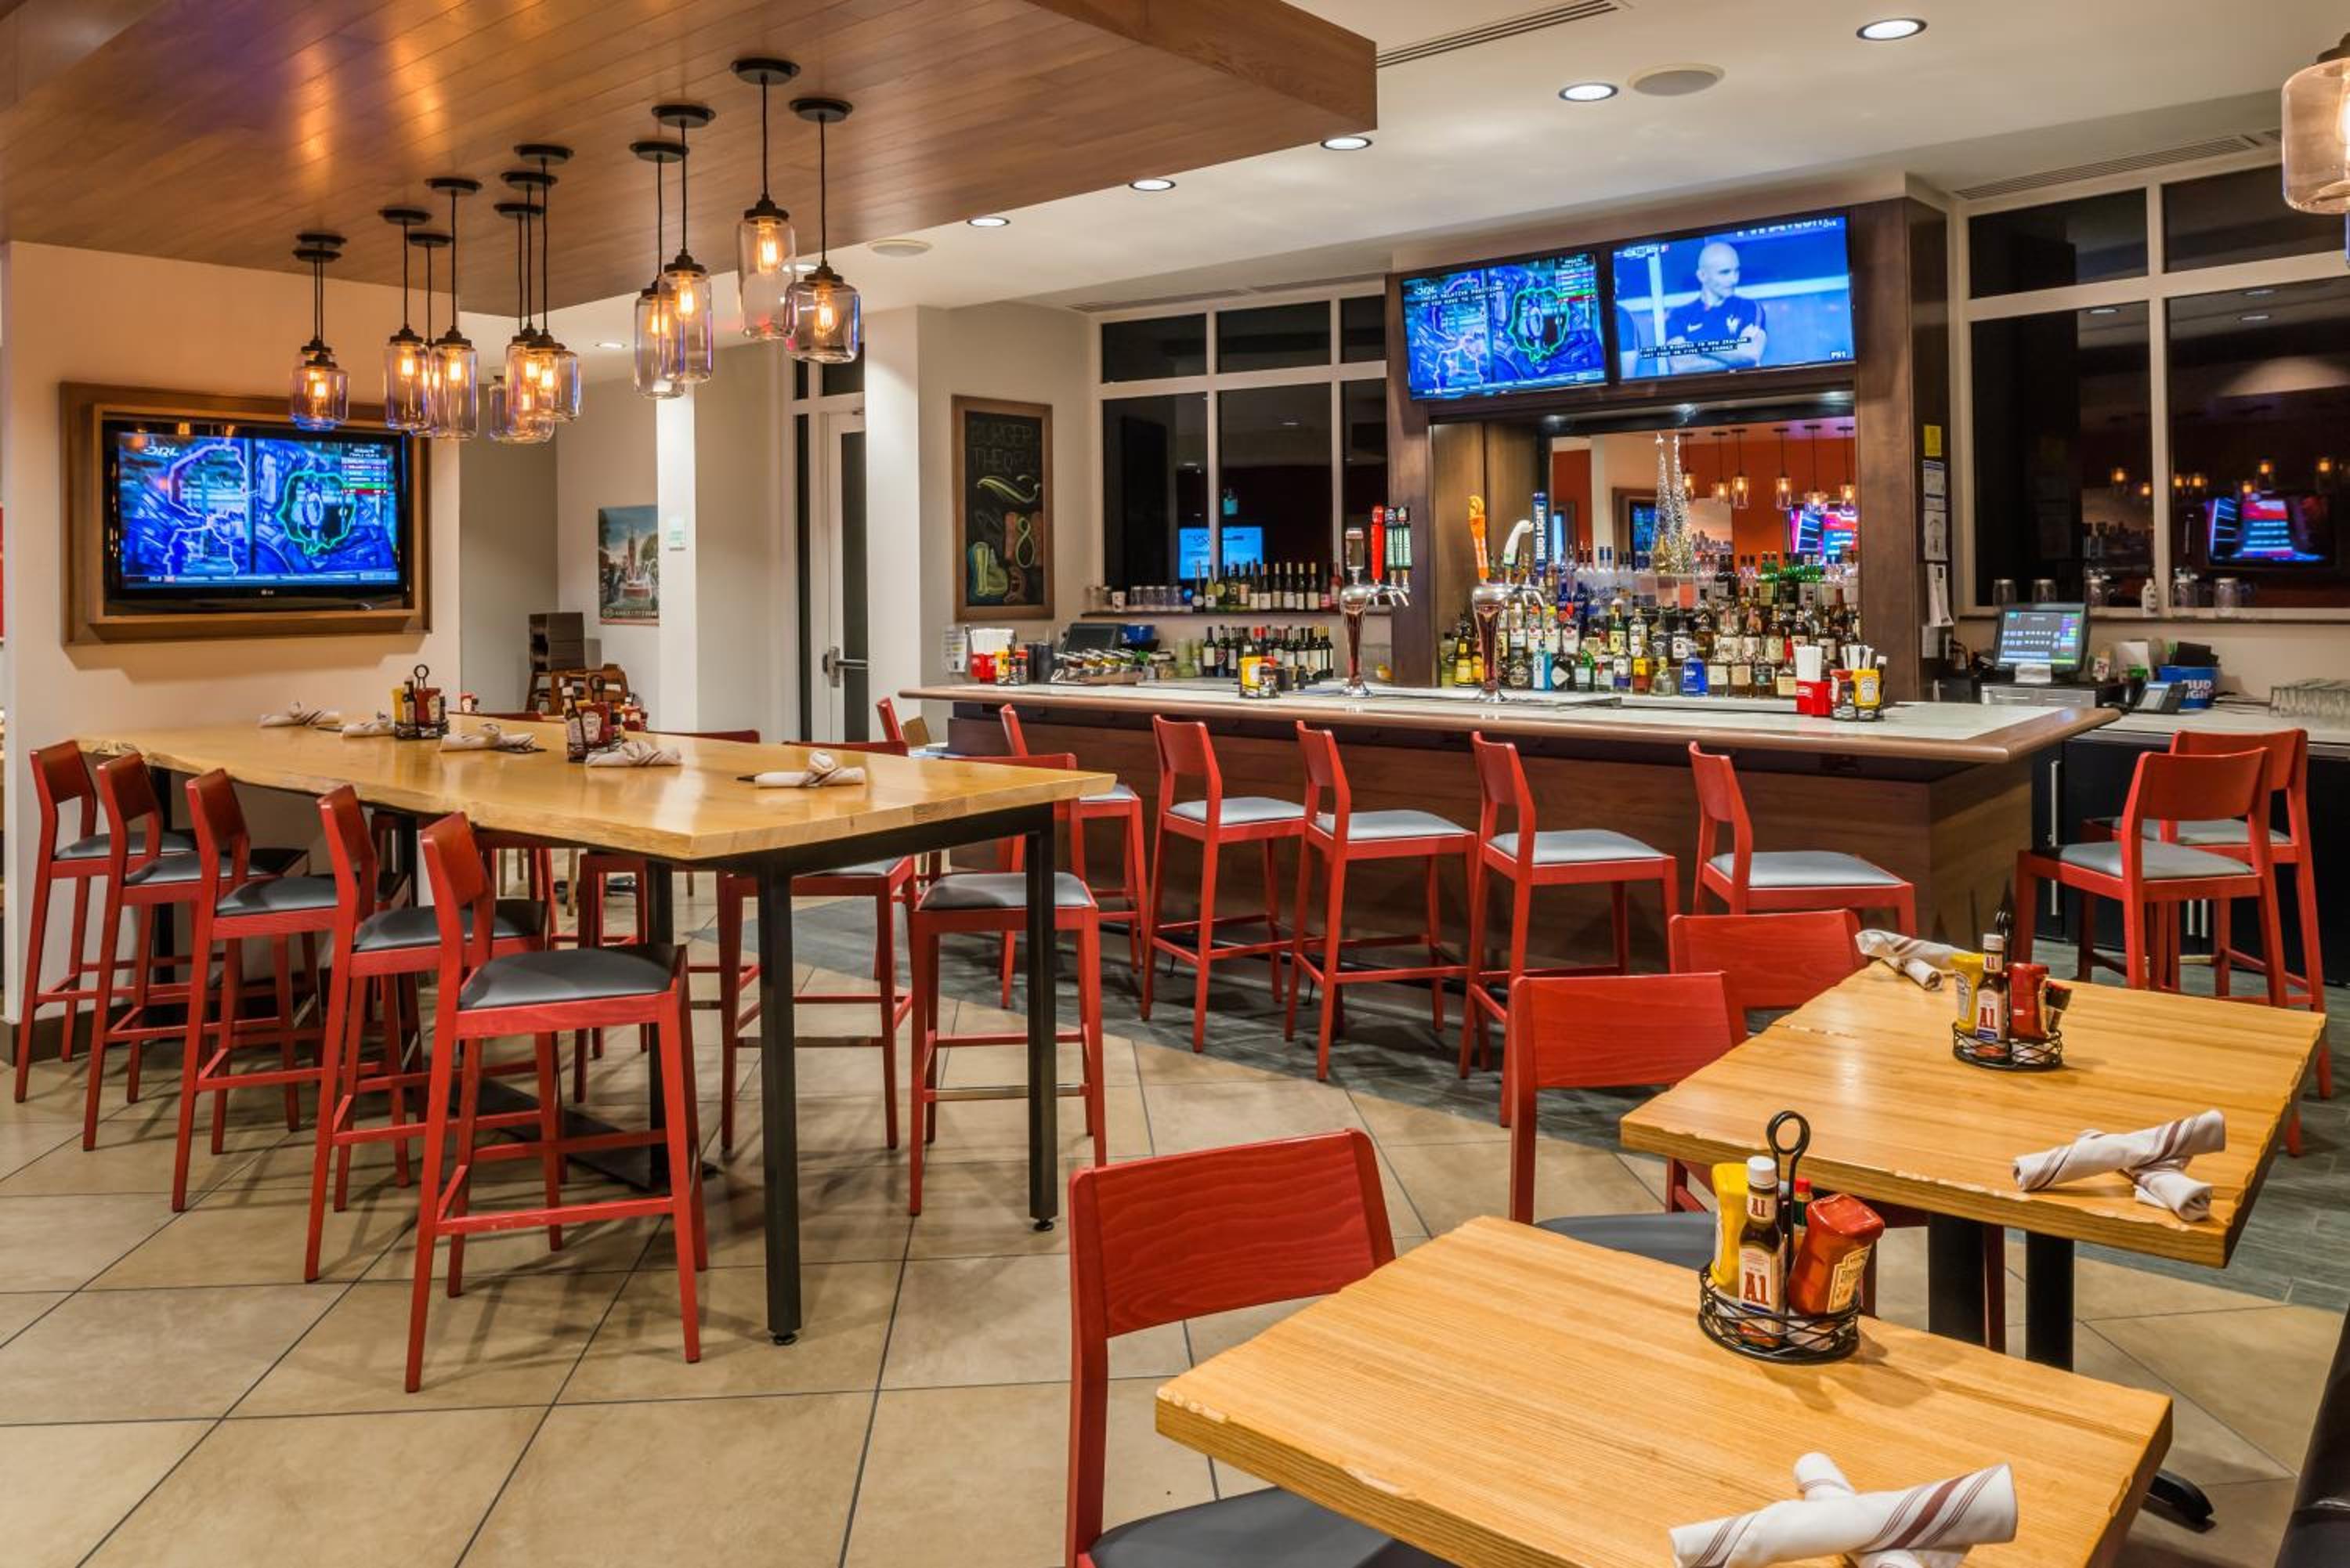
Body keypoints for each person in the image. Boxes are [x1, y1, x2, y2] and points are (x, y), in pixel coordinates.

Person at [1661, 240, 1768, 372]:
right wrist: (1736, 358)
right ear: (1702, 276)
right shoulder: (1678, 315)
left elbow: (1751, 354)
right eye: (1725, 272)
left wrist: (1698, 348)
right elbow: (1680, 365)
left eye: (1736, 271)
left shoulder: (1749, 308)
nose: (1734, 280)